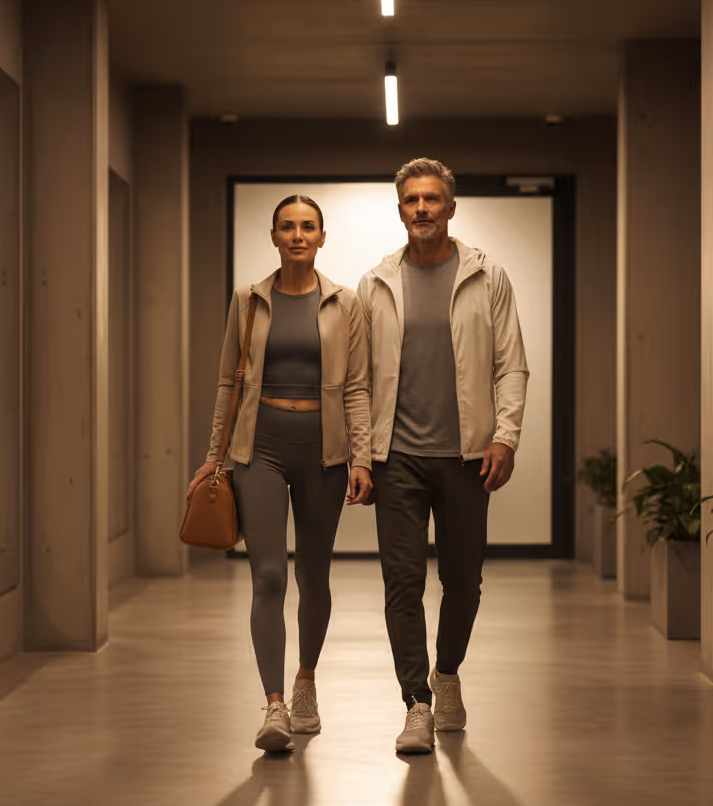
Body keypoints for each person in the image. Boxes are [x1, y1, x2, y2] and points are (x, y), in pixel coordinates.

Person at [189, 195, 373, 752]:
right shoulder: (248, 300)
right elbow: (229, 381)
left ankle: (306, 681)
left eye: (307, 227)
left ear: (322, 237)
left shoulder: (346, 304)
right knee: (268, 576)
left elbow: (360, 387)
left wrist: (361, 456)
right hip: (259, 450)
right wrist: (214, 455)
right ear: (273, 236)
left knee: (313, 577)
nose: (297, 235)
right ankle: (273, 706)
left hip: (324, 453)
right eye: (287, 227)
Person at [357, 158, 528, 754]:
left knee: (463, 580)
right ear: (400, 210)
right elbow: (358, 378)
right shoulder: (376, 283)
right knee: (401, 582)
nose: (422, 209)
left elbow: (511, 365)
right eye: (412, 200)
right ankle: (416, 704)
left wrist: (505, 437)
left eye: (433, 199)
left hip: (466, 456)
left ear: (451, 208)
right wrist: (362, 453)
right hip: (396, 457)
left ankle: (447, 671)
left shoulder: (487, 276)